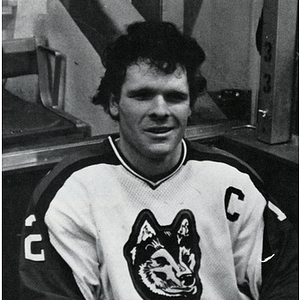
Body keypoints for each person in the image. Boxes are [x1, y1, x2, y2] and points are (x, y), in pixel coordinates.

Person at [19, 21, 297, 300]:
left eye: (175, 97)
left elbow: (289, 276)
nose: (160, 111)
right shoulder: (70, 193)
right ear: (115, 102)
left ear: (190, 107)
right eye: (143, 96)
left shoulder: (232, 182)